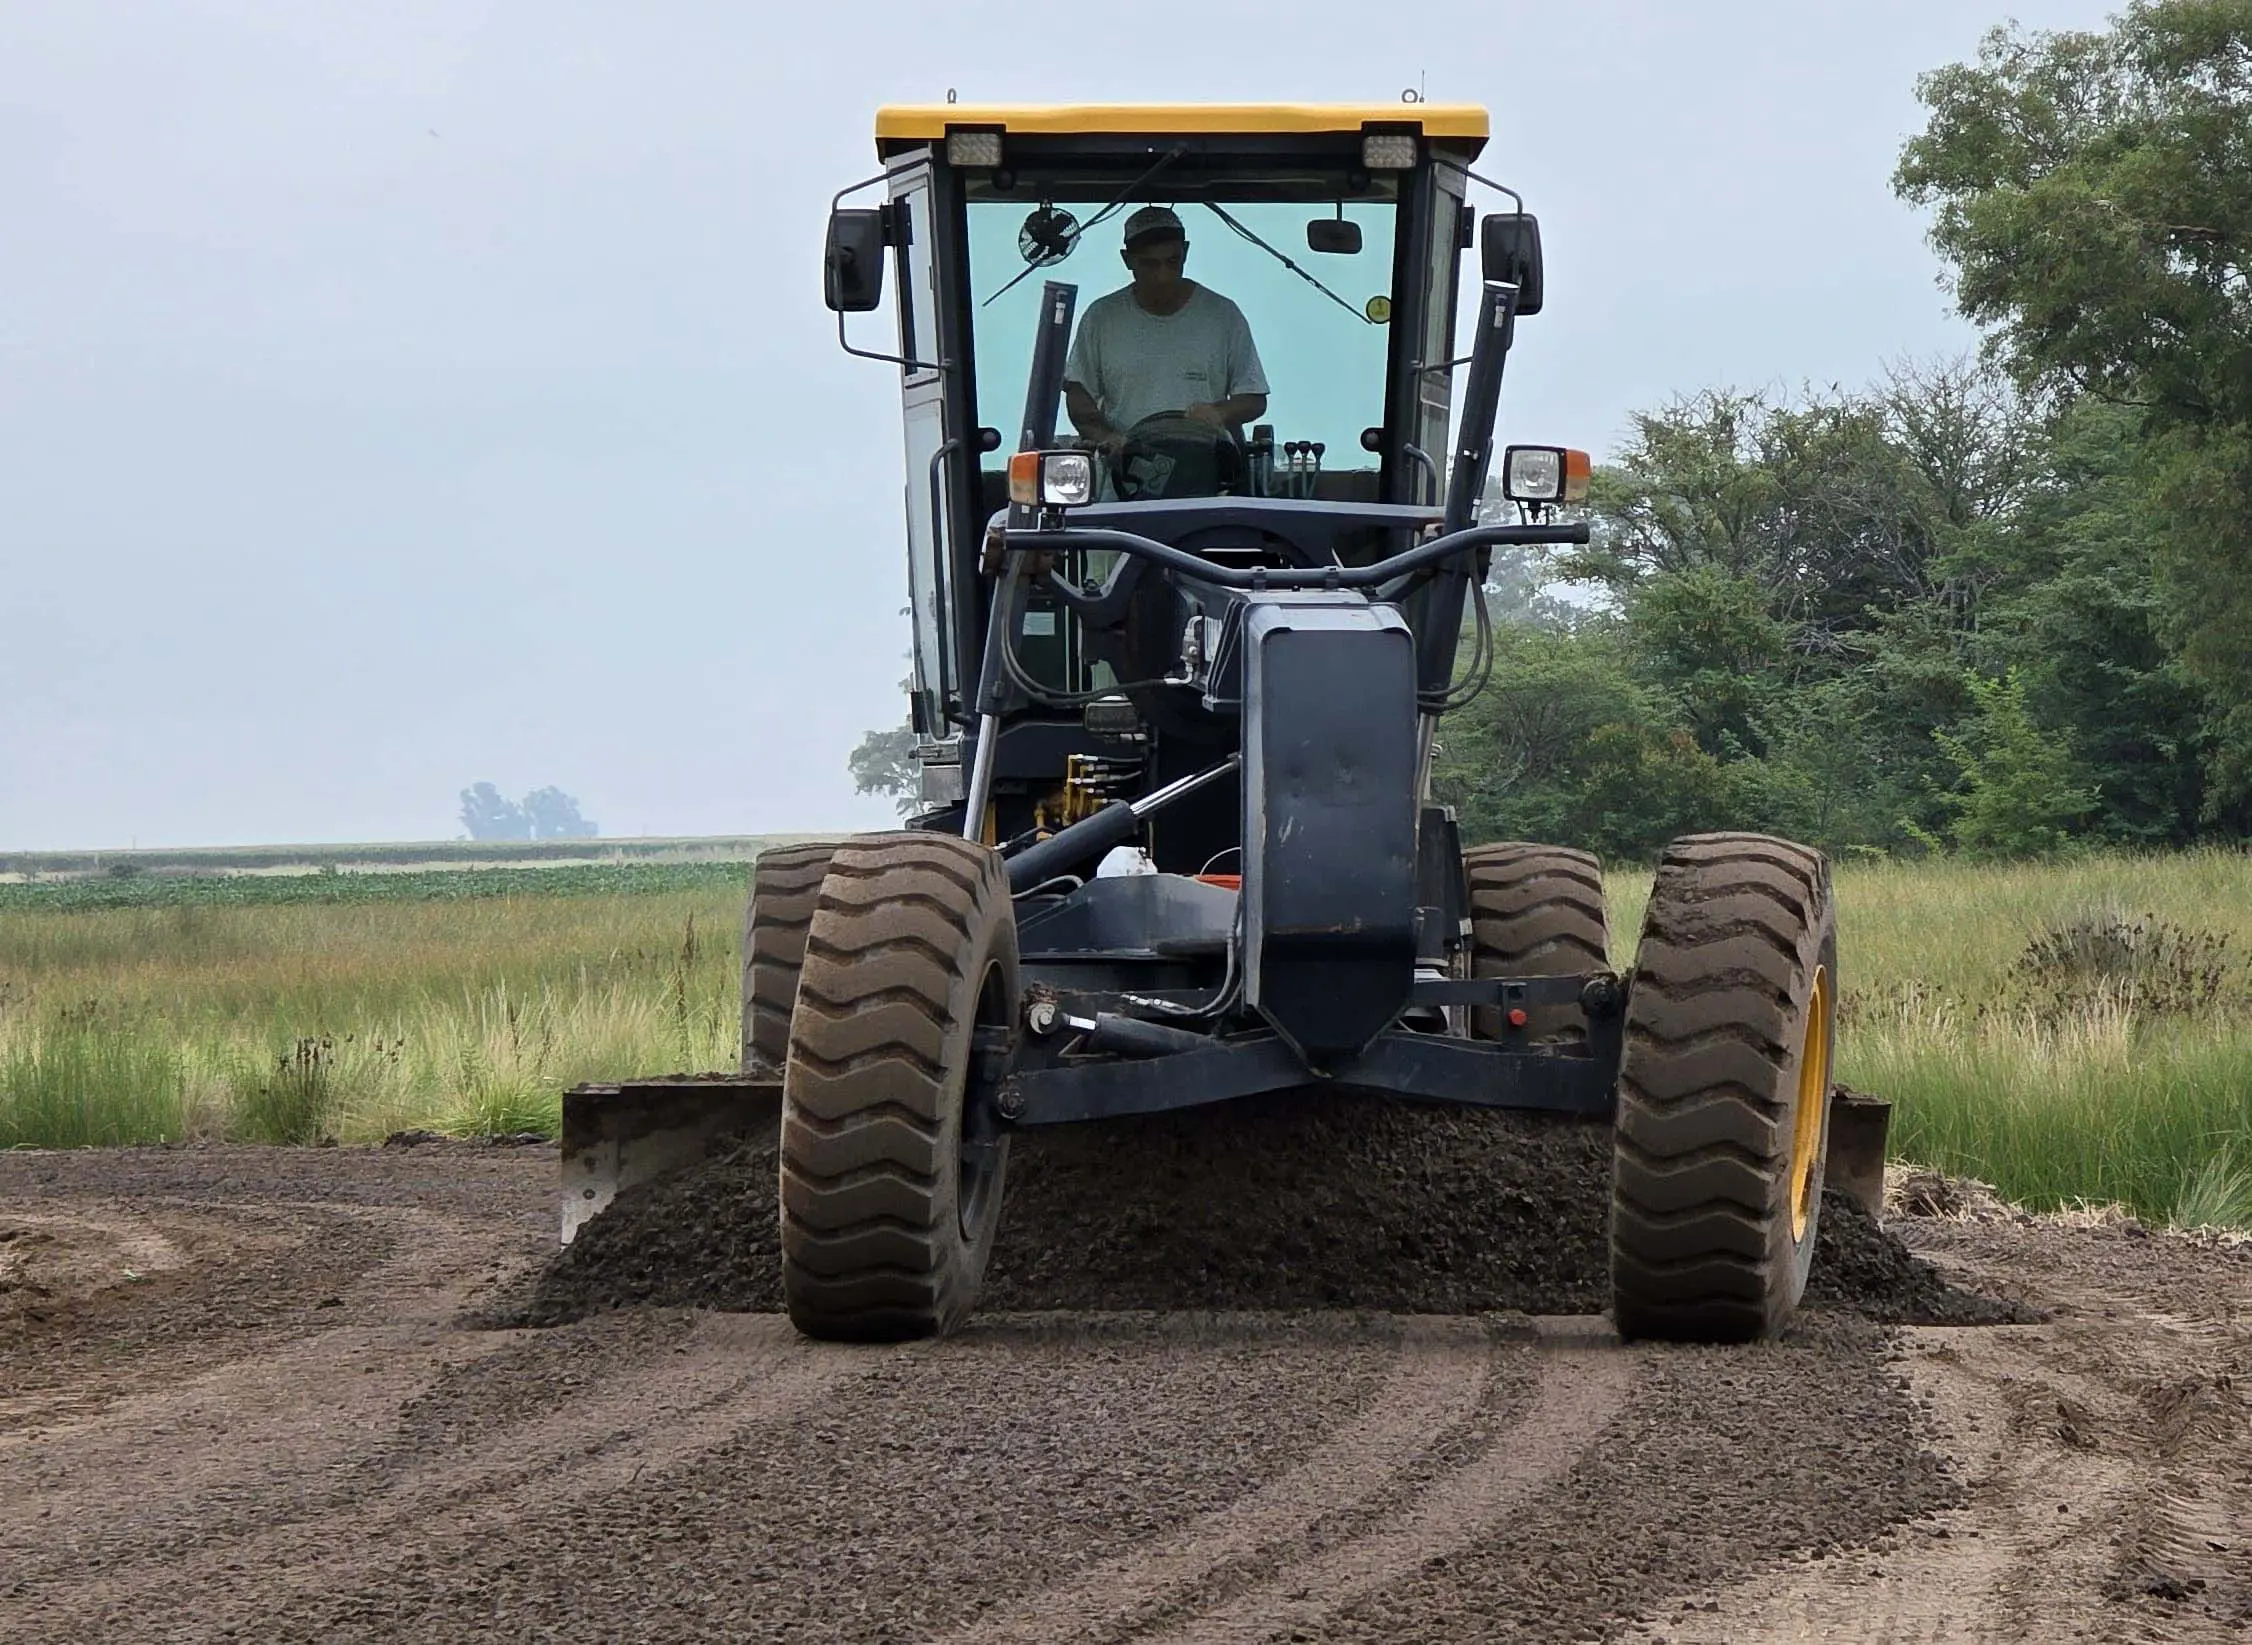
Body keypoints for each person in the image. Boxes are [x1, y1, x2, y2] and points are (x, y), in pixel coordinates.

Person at [1063, 206, 1269, 451]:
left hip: (1209, 475)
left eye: (1173, 262)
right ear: (1127, 260)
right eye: (1150, 264)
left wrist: (1218, 412)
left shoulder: (1223, 315)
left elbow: (1254, 398)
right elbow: (1078, 394)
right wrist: (1112, 440)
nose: (1163, 276)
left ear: (1186, 252)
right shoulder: (1101, 318)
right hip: (1125, 476)